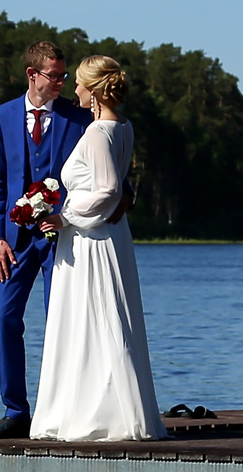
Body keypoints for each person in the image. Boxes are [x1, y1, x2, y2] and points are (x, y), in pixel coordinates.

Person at [30, 54, 163, 443]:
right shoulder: (123, 127)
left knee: (93, 320)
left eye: (78, 83)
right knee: (103, 319)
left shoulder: (97, 133)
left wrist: (65, 217)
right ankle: (104, 407)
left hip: (91, 239)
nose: (74, 89)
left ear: (94, 89)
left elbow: (108, 189)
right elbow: (114, 189)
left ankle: (99, 415)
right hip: (111, 234)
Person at [0, 40, 93, 439]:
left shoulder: (78, 118)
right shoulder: (4, 115)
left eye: (64, 75)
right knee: (5, 318)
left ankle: (58, 411)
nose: (61, 82)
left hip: (62, 239)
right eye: (54, 75)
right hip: (15, 241)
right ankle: (16, 410)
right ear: (32, 75)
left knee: (58, 324)